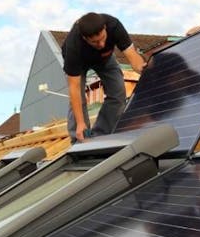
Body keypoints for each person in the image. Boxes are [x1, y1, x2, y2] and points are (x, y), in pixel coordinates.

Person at [62, 12, 147, 142]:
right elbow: (74, 88)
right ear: (85, 38)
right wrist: (80, 123)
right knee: (79, 101)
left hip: (104, 59)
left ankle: (101, 135)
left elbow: (133, 58)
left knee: (118, 92)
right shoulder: (73, 46)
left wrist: (149, 74)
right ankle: (79, 140)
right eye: (95, 42)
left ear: (105, 28)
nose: (101, 44)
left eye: (103, 38)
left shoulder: (114, 26)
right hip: (80, 63)